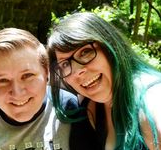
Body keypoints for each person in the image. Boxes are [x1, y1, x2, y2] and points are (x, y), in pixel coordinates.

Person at [0, 12, 161, 150]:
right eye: (2, 81)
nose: (18, 92)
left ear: (47, 76)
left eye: (86, 53)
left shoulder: (73, 108)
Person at [47, 12, 161, 150]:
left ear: (110, 46)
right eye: (65, 64)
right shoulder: (91, 105)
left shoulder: (151, 97)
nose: (77, 72)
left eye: (85, 52)